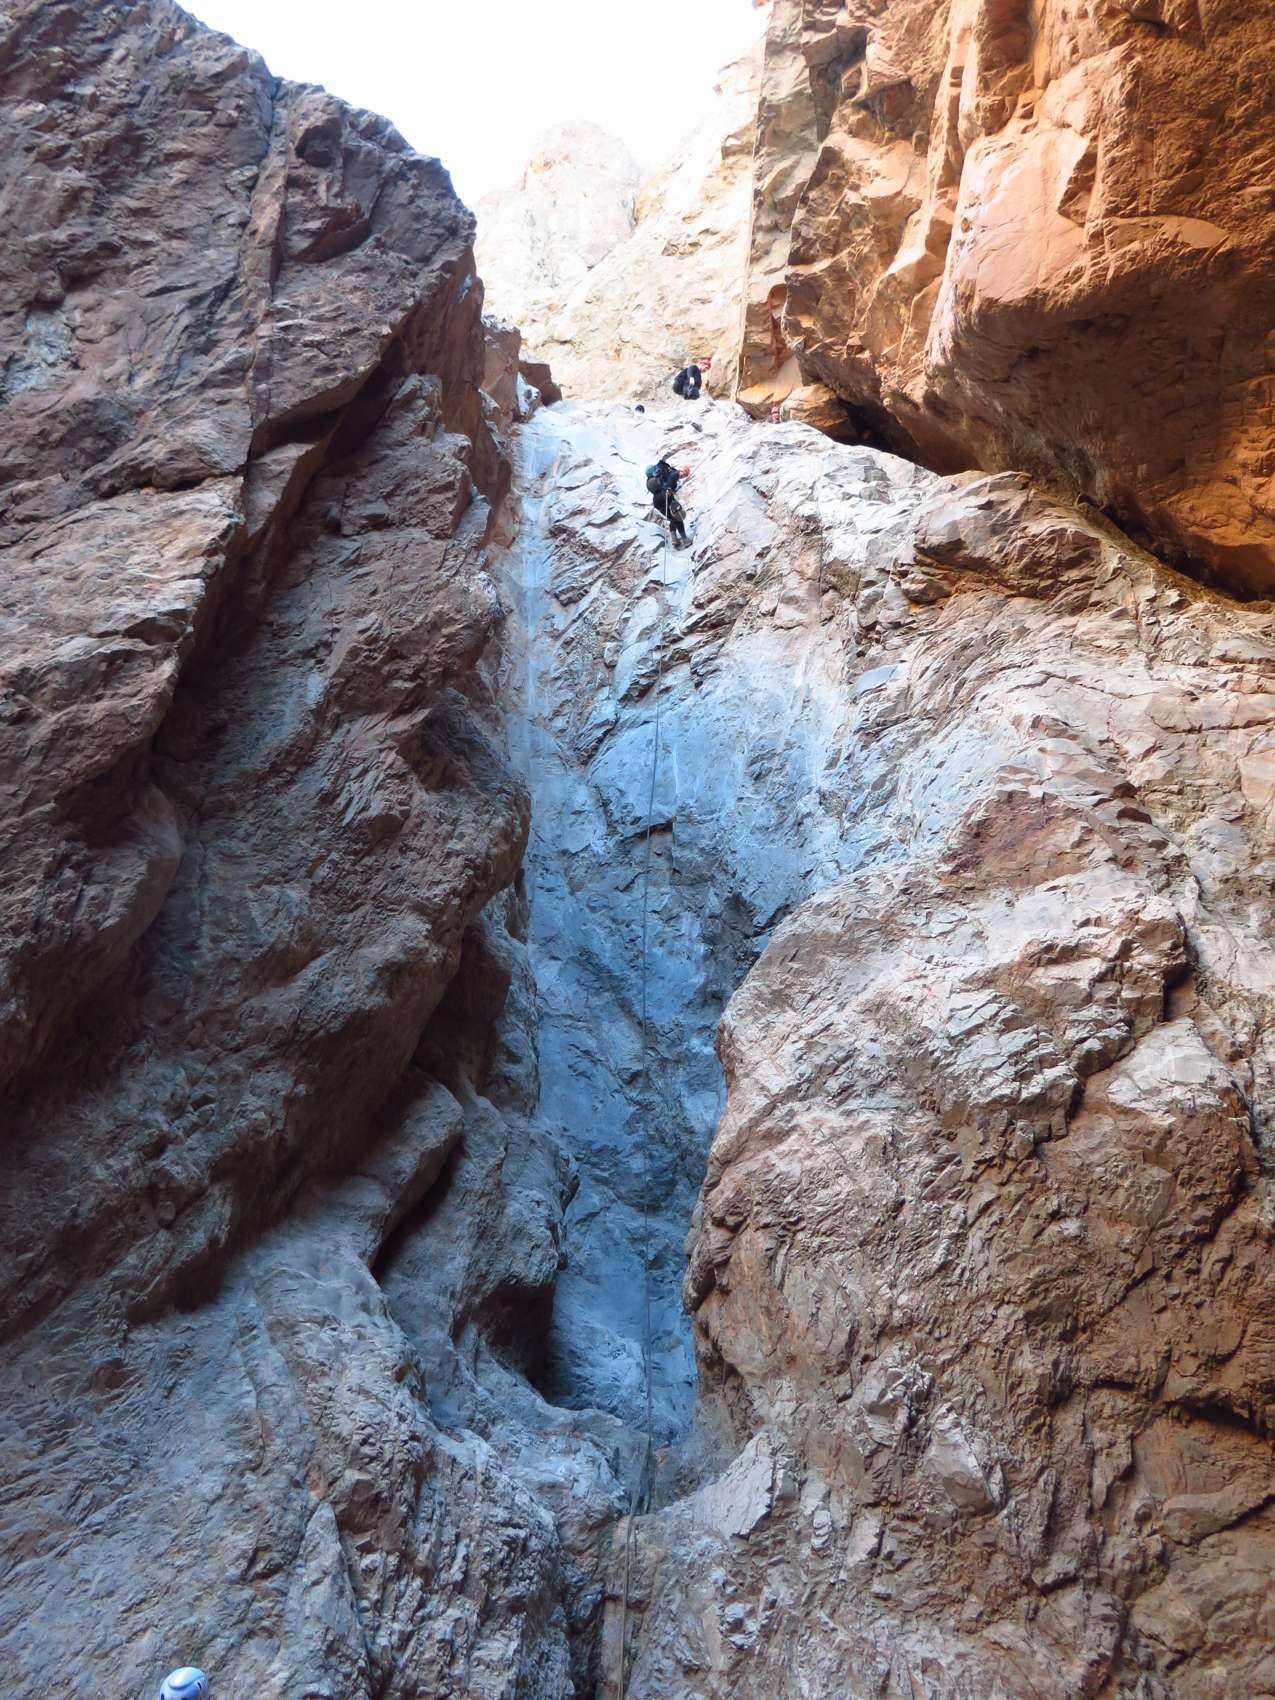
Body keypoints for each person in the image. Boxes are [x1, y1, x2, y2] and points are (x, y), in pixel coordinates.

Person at [645, 458, 689, 547]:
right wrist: (683, 472)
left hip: (657, 502)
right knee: (677, 517)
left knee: (672, 518)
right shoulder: (667, 474)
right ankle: (685, 540)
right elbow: (677, 475)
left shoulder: (651, 481)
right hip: (666, 497)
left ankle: (674, 539)